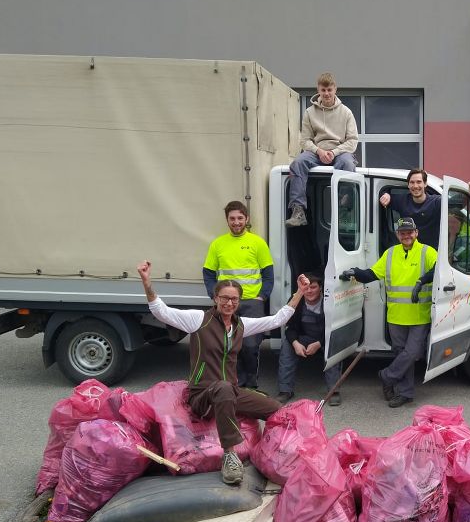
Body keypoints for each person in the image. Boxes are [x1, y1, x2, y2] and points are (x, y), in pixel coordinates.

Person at [138, 260, 310, 485]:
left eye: (234, 299)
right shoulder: (198, 320)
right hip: (202, 395)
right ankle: (229, 455)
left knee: (275, 409)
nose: (229, 303)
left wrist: (299, 292)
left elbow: (277, 320)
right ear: (215, 298)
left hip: (230, 392)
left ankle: (278, 453)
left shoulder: (241, 325)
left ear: (239, 301)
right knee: (224, 387)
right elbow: (161, 312)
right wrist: (147, 283)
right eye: (225, 298)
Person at [339, 217, 436, 408]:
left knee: (413, 352)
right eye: (402, 233)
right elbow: (373, 274)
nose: (406, 235)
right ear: (398, 235)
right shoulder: (390, 253)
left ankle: (387, 375)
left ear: (416, 233)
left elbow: (439, 270)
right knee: (400, 353)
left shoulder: (427, 252)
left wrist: (421, 281)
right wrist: (355, 272)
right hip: (396, 315)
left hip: (419, 315)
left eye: (410, 232)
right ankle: (404, 393)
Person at [202, 201, 273, 391]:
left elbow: (268, 274)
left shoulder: (257, 243)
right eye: (232, 218)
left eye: (240, 218)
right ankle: (235, 384)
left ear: (247, 219)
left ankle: (251, 385)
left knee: (250, 346)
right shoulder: (218, 244)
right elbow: (208, 273)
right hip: (226, 303)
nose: (236, 222)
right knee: (228, 346)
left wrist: (262, 297)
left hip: (252, 303)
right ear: (227, 220)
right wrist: (214, 295)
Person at [285, 72, 359, 227]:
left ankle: (344, 211)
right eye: (323, 90)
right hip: (315, 152)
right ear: (318, 89)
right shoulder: (309, 112)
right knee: (298, 163)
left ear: (335, 89)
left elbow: (352, 141)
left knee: (347, 164)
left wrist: (334, 152)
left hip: (340, 152)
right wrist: (319, 151)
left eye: (329, 90)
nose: (326, 93)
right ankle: (298, 211)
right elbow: (304, 140)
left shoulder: (346, 112)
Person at [275, 273, 342, 406]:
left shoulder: (330, 301)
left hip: (326, 337)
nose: (309, 291)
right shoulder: (296, 301)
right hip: (305, 337)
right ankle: (285, 390)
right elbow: (291, 327)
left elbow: (335, 327)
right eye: (306, 288)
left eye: (313, 287)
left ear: (321, 288)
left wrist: (319, 343)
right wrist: (295, 343)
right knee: (287, 345)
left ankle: (334, 391)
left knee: (332, 346)